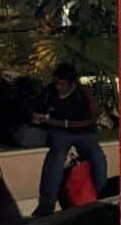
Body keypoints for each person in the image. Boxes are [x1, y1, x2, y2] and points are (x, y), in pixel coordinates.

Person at [30, 63, 108, 217]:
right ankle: (47, 204)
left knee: (97, 156)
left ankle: (102, 198)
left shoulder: (82, 93)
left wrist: (64, 123)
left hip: (83, 132)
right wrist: (38, 117)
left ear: (72, 84)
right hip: (60, 133)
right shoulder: (48, 91)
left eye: (62, 84)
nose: (58, 87)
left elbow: (92, 118)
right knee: (57, 156)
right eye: (56, 82)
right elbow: (36, 110)